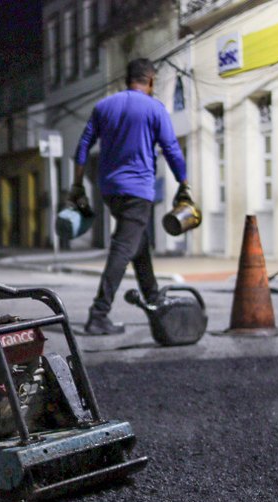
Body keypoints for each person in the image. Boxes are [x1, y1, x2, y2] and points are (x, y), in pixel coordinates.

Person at [71, 58, 193, 335]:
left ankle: (153, 299)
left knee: (139, 244)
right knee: (123, 247)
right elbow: (171, 149)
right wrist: (184, 182)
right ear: (150, 80)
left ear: (127, 80)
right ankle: (98, 314)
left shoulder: (103, 107)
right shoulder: (154, 108)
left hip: (109, 190)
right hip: (137, 190)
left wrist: (77, 186)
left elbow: (82, 148)